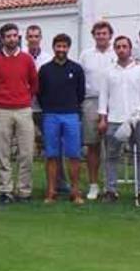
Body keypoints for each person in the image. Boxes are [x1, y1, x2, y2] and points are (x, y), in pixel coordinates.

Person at [0, 23, 38, 203]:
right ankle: (5, 190)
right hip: (2, 110)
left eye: (15, 35)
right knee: (3, 153)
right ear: (2, 39)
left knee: (27, 153)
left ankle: (24, 190)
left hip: (23, 109)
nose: (12, 39)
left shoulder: (27, 59)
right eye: (8, 36)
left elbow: (34, 83)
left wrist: (23, 98)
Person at [98, 35, 140, 205]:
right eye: (118, 47)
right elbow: (103, 96)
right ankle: (111, 190)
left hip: (138, 119)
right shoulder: (109, 71)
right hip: (115, 119)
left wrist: (138, 113)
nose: (121, 49)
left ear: (130, 49)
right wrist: (102, 117)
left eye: (124, 46)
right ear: (115, 49)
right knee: (112, 155)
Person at [37, 34, 85, 203]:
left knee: (74, 155)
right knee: (51, 155)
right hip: (51, 115)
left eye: (64, 47)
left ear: (68, 48)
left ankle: (75, 191)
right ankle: (51, 191)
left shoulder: (76, 69)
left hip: (71, 114)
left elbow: (81, 94)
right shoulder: (45, 69)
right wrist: (49, 107)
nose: (61, 50)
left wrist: (71, 107)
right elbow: (40, 94)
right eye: (58, 46)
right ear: (53, 47)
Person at [26, 24, 69, 194]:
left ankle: (59, 182)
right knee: (25, 149)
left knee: (54, 146)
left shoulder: (47, 59)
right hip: (25, 107)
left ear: (40, 38)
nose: (33, 39)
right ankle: (24, 185)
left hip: (45, 109)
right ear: (27, 38)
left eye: (36, 36)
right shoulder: (21, 57)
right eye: (30, 36)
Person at [79, 21, 116, 200]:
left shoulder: (117, 54)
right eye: (98, 33)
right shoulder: (85, 55)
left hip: (114, 103)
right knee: (92, 146)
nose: (101, 36)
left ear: (110, 35)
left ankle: (110, 185)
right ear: (94, 36)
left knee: (112, 146)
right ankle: (93, 185)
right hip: (91, 102)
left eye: (104, 33)